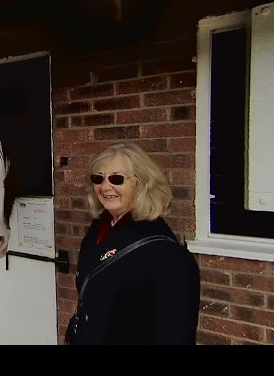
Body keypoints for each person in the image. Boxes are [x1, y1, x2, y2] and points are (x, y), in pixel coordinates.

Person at [68, 142, 200, 345]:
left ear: (142, 184)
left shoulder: (165, 253)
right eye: (98, 178)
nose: (105, 186)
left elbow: (175, 335)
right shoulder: (97, 231)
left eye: (116, 179)